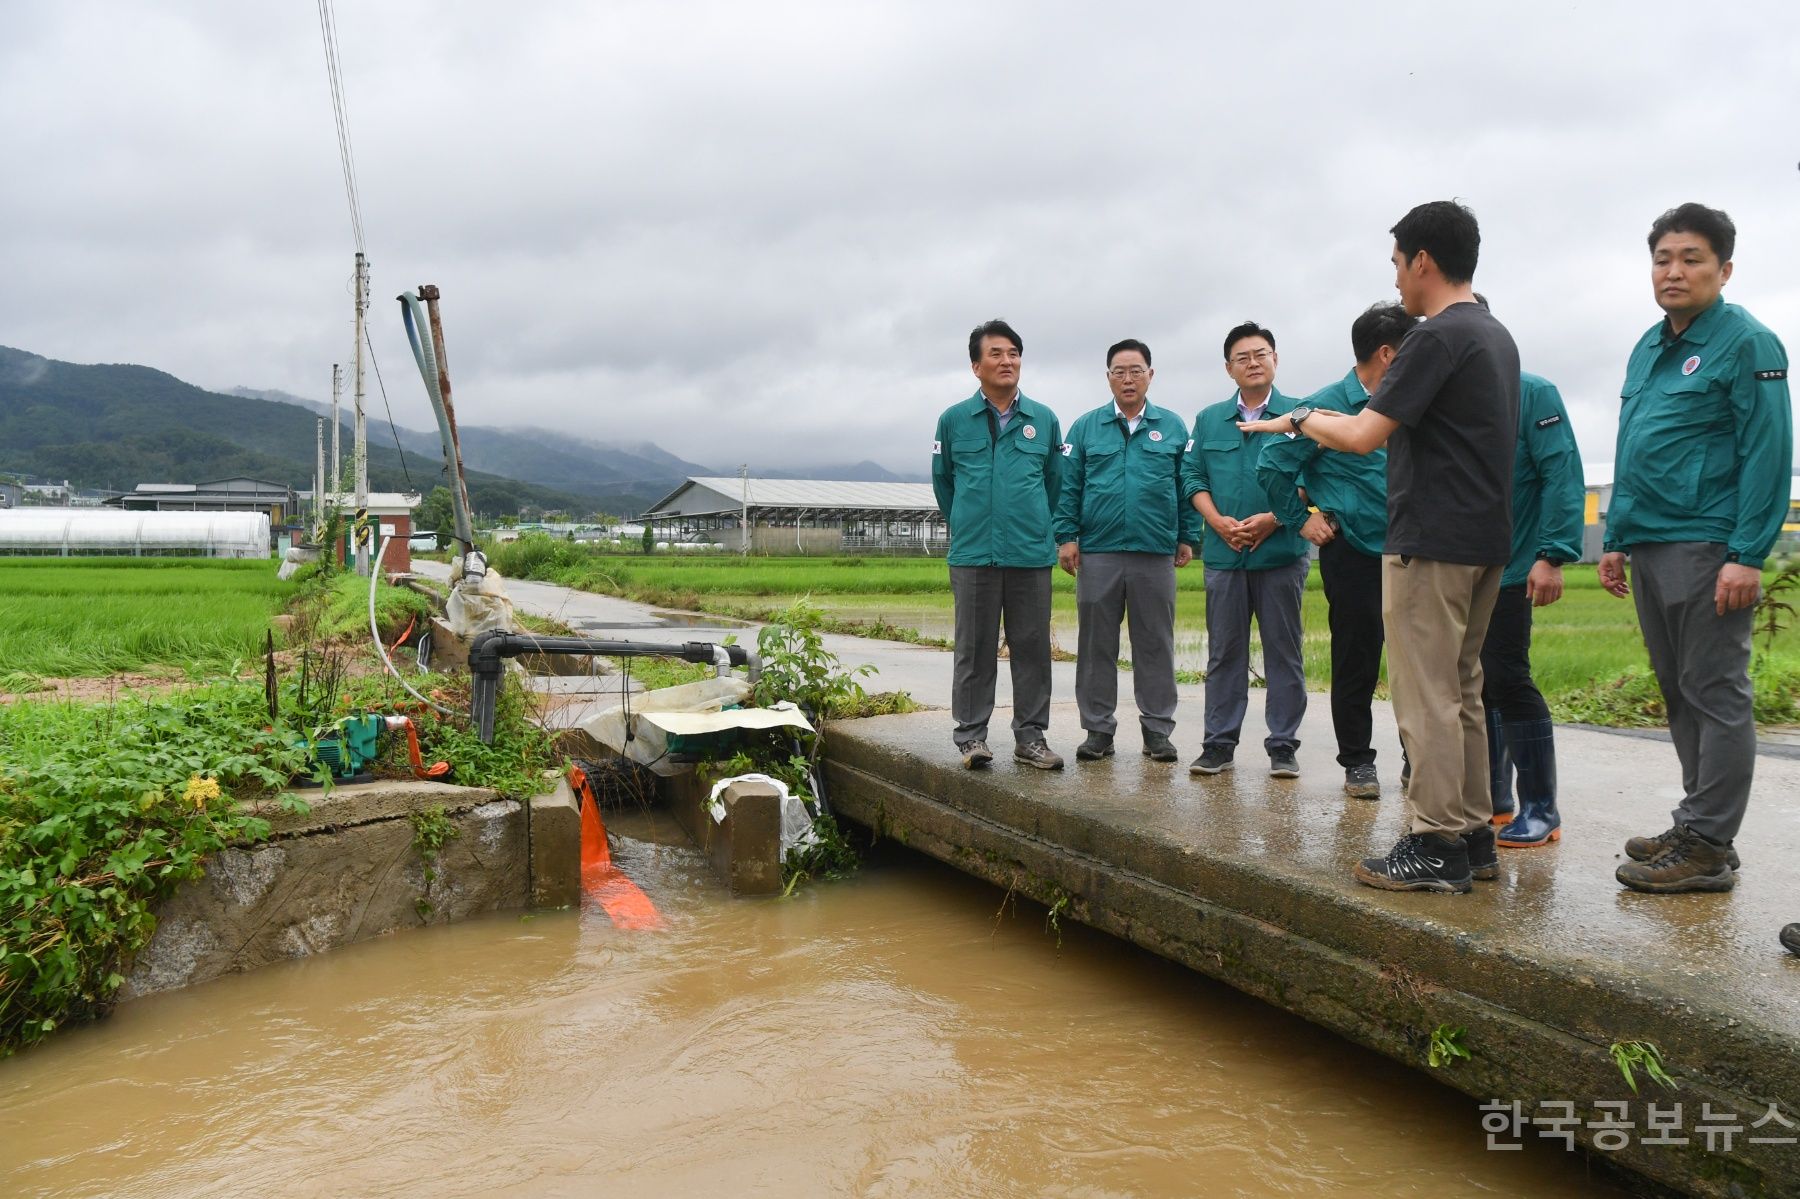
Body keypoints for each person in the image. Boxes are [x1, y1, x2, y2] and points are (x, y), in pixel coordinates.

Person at [1239, 200, 1520, 893]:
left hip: (1429, 540)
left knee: (1425, 695)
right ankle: (1475, 834)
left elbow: (1365, 435)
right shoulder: (1494, 334)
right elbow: (1376, 419)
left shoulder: (1433, 337)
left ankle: (1434, 842)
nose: (1396, 279)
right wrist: (1313, 419)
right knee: (1464, 689)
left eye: (1398, 263)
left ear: (1423, 260)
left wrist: (1299, 420)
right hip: (1484, 539)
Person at [1601, 203, 1791, 893]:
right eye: (1662, 259)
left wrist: (1747, 551)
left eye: (1691, 258)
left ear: (1724, 268)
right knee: (1681, 692)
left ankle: (1708, 842)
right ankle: (1701, 823)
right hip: (1651, 541)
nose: (1673, 270)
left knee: (1716, 692)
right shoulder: (1649, 346)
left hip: (1709, 543)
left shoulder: (1748, 342)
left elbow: (1769, 452)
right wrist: (1617, 536)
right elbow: (1635, 445)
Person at [1255, 303, 1413, 799]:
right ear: (1388, 355)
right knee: (1357, 658)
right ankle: (1358, 762)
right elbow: (1273, 464)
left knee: (1419, 663)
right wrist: (1302, 519)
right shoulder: (1325, 406)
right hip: (1354, 551)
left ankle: (1419, 758)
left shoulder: (1412, 401)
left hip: (1413, 548)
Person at [1054, 339, 1200, 763]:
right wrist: (1066, 536)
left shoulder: (1172, 427)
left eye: (1136, 370)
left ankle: (1157, 731)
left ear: (1151, 375)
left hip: (1155, 552)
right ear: (1108, 378)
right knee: (1096, 645)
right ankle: (1098, 731)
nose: (1128, 378)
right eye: (1119, 371)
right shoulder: (1085, 427)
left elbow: (1185, 484)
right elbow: (1069, 486)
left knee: (1156, 644)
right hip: (1097, 552)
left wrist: (1187, 536)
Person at [931, 319, 1066, 771]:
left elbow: (1053, 483)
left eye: (1013, 353)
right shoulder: (953, 420)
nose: (1006, 361)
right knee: (974, 649)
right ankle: (972, 738)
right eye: (996, 354)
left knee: (1032, 650)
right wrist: (973, 523)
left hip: (1029, 554)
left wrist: (1032, 526)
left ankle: (1031, 739)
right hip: (973, 555)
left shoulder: (1044, 419)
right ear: (976, 366)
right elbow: (944, 484)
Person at [1182, 322, 1309, 779]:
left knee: (1284, 651)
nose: (1253, 363)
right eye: (1243, 357)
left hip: (1281, 555)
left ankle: (1283, 746)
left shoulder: (1300, 415)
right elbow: (1192, 477)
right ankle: (1218, 744)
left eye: (1261, 354)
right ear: (1228, 368)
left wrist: (1274, 519)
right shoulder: (1209, 419)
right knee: (1224, 654)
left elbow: (1316, 479)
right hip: (1224, 556)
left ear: (1275, 359)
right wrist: (1215, 521)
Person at [1481, 356, 1585, 850]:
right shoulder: (1449, 393)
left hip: (1515, 563)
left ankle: (1541, 808)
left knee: (1508, 678)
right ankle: (1495, 798)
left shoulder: (1533, 392)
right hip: (1465, 566)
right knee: (1478, 683)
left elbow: (1561, 472)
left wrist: (1553, 553)